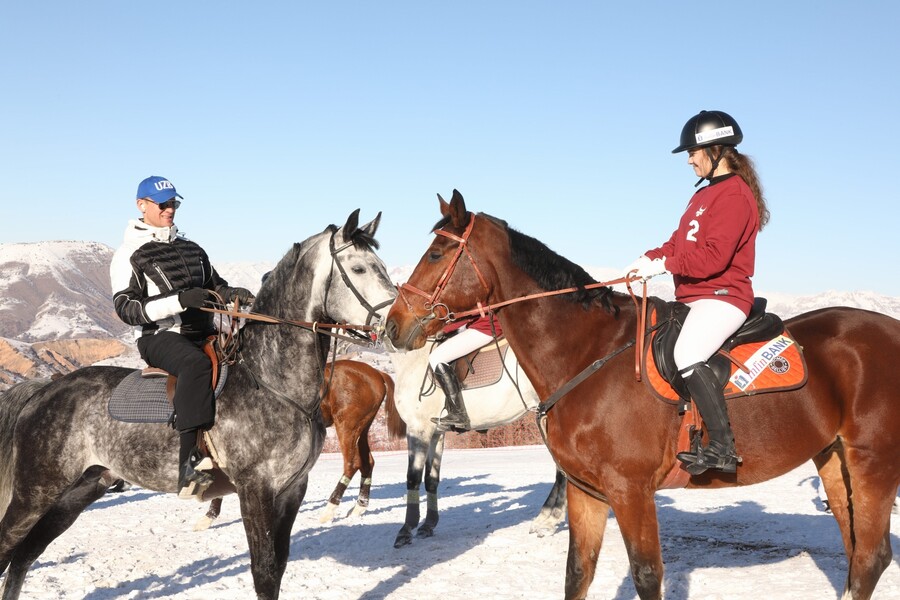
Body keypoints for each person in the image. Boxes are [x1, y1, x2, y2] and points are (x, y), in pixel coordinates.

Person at [623, 110, 770, 475]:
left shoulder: (735, 195)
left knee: (687, 351)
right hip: (693, 297)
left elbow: (714, 257)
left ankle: (721, 448)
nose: (689, 160)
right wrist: (650, 257)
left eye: (692, 152)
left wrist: (666, 266)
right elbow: (679, 242)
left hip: (724, 296)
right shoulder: (703, 196)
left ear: (716, 150)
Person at [110, 176, 254, 498]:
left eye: (174, 203)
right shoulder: (129, 254)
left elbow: (216, 286)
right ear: (141, 206)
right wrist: (178, 301)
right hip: (160, 336)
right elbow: (126, 307)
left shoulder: (192, 248)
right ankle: (189, 466)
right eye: (163, 204)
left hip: (204, 331)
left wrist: (234, 293)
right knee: (194, 366)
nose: (169, 209)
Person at [428, 314, 502, 431]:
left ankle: (458, 414)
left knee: (436, 357)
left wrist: (445, 328)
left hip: (485, 326)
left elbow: (470, 312)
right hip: (485, 323)